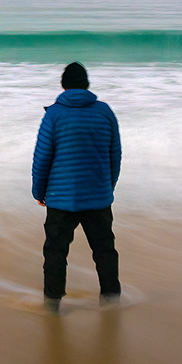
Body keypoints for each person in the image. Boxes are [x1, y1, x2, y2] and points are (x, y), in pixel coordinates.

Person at [32, 61, 121, 309]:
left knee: (56, 253)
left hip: (62, 199)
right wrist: (107, 187)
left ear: (64, 85)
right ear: (86, 84)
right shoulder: (105, 112)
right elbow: (115, 155)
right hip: (98, 198)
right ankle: (111, 301)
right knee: (104, 250)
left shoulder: (54, 114)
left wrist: (38, 192)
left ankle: (52, 305)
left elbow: (42, 157)